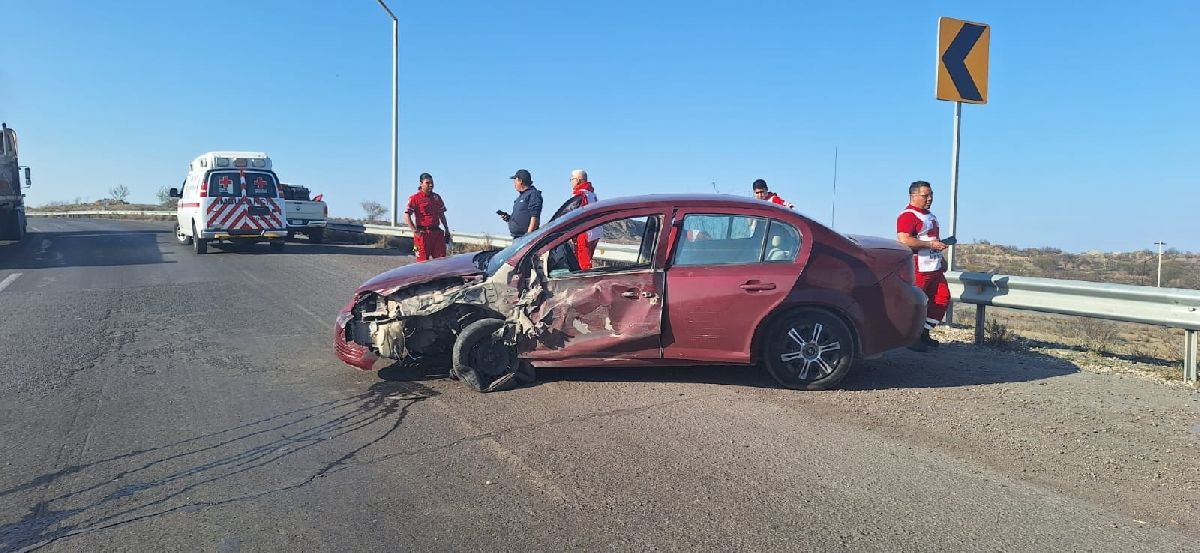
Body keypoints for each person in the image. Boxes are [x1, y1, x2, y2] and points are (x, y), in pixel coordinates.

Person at [896, 180, 950, 352]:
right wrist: (931, 246)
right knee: (916, 303)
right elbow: (904, 240)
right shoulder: (908, 215)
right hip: (918, 267)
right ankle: (910, 337)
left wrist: (941, 258)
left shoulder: (930, 216)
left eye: (931, 195)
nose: (929, 199)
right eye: (925, 195)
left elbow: (933, 240)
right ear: (913, 196)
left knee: (942, 298)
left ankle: (923, 332)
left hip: (934, 267)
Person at [556, 169, 602, 270]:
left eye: (571, 179)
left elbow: (571, 213)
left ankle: (584, 283)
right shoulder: (592, 195)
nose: (571, 182)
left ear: (578, 180)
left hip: (584, 232)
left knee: (583, 264)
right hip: (595, 232)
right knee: (587, 259)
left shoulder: (580, 194)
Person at [404, 172, 451, 261]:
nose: (431, 185)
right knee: (421, 262)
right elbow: (406, 216)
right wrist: (415, 231)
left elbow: (442, 214)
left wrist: (447, 229)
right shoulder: (414, 198)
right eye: (427, 183)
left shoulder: (437, 197)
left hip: (437, 233)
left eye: (432, 183)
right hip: (422, 235)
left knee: (441, 261)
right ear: (421, 184)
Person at [497, 169, 543, 238]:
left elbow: (535, 216)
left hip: (524, 238)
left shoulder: (533, 194)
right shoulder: (521, 196)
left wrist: (528, 236)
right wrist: (509, 219)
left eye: (515, 180)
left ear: (520, 181)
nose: (514, 183)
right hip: (518, 238)